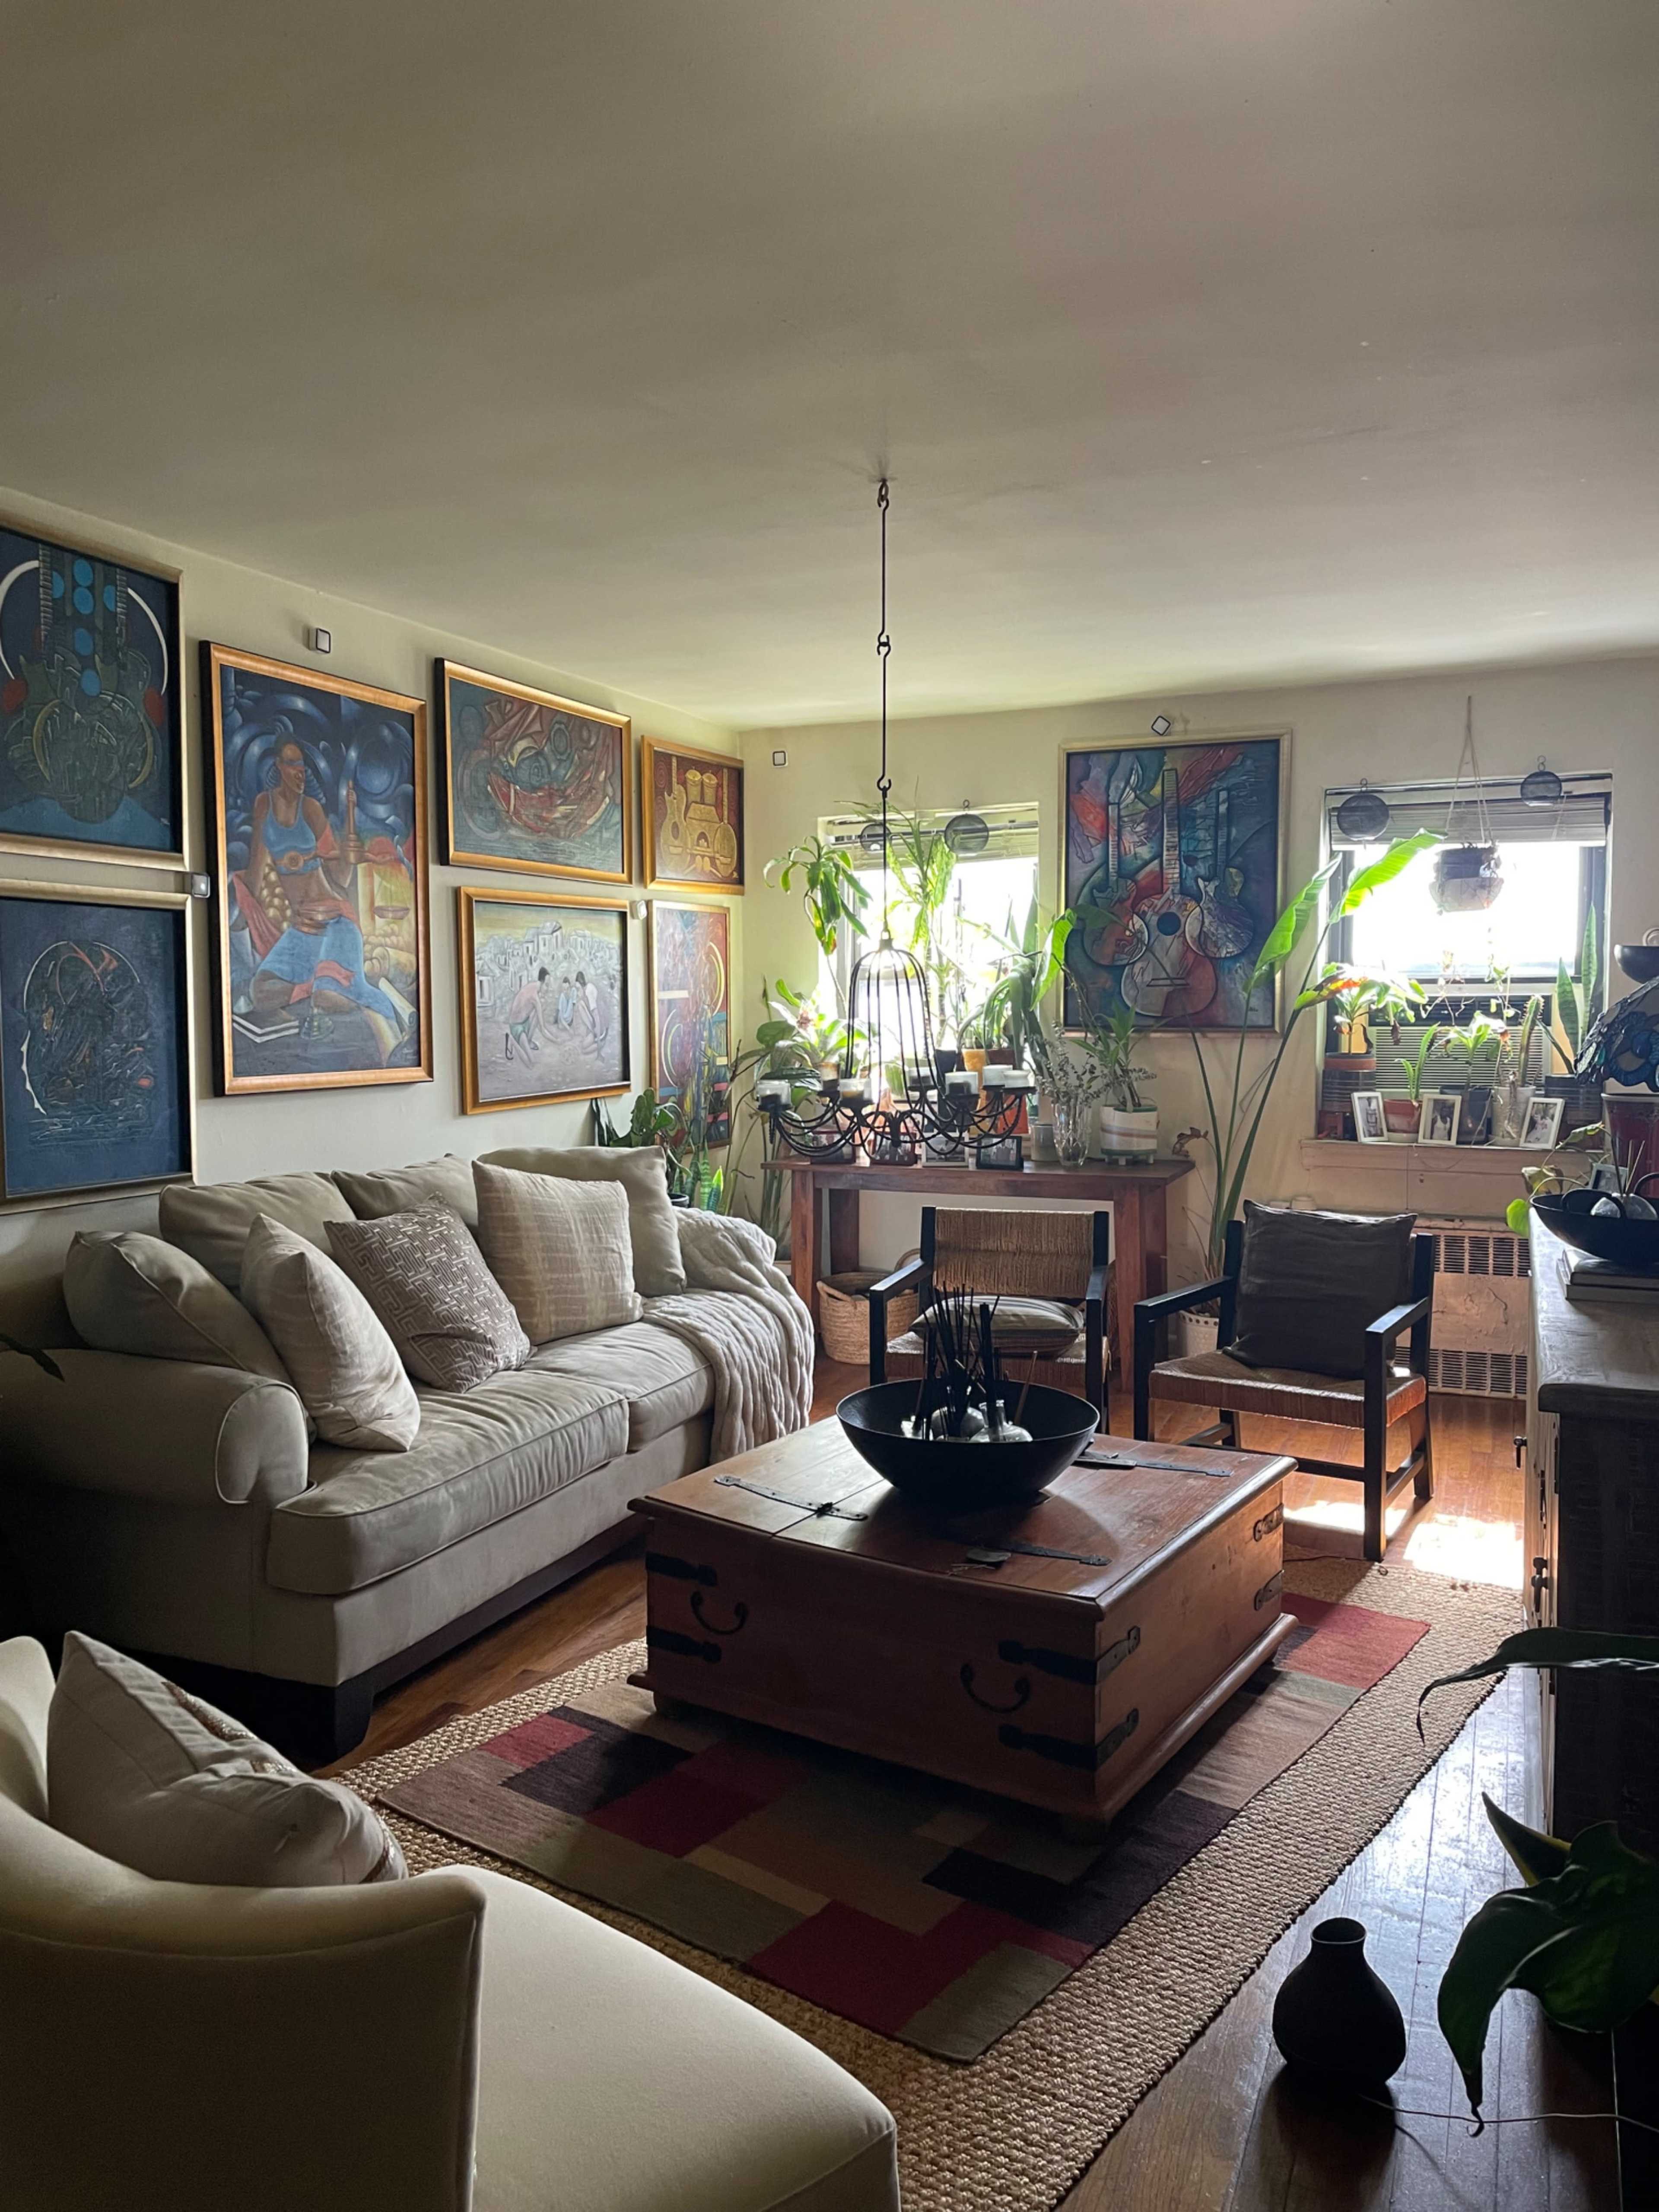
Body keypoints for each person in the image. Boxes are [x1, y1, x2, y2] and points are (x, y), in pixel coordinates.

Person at [233, 739, 406, 1055]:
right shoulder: (263, 806)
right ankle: (322, 983)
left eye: (303, 766)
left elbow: (340, 876)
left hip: (336, 920)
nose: (300, 773)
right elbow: (257, 866)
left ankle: (385, 1007)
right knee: (262, 992)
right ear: (279, 768)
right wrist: (242, 915)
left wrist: (339, 851)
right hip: (302, 930)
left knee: (330, 998)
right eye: (293, 765)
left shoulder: (311, 809)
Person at [504, 967, 549, 1061]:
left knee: (542, 1005)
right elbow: (543, 1030)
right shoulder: (534, 996)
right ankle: (512, 1040)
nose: (548, 989)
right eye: (547, 985)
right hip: (517, 1027)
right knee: (531, 1062)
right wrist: (558, 1041)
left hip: (525, 1022)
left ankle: (528, 1041)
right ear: (542, 982)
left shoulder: (534, 988)